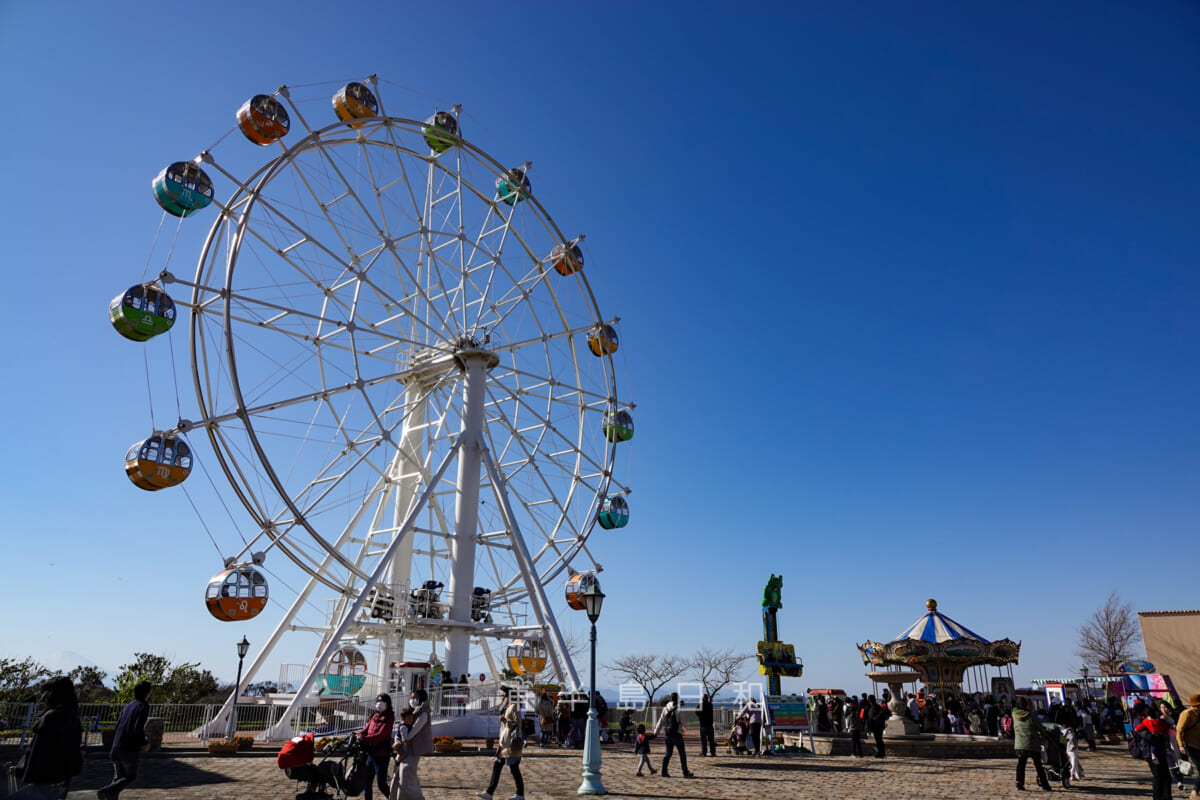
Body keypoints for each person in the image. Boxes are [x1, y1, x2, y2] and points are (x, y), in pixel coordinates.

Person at [12, 676, 82, 799]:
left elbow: (38, 752)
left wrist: (27, 774)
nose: (43, 697)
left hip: (45, 777)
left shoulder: (52, 717)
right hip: (62, 776)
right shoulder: (72, 715)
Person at [97, 680, 152, 799]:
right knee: (130, 776)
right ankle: (106, 790)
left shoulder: (128, 706)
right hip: (129, 749)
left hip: (116, 746)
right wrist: (145, 742)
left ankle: (109, 793)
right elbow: (137, 728)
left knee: (118, 778)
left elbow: (118, 726)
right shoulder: (143, 706)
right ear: (147, 693)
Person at [476, 693, 525, 800]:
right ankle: (489, 792)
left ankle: (520, 794)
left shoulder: (514, 707)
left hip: (511, 745)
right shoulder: (507, 707)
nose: (501, 697)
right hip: (505, 744)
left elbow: (517, 723)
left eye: (503, 695)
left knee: (514, 769)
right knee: (497, 766)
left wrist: (505, 720)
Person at [393, 688, 433, 800]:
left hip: (413, 749)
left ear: (421, 699)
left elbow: (414, 730)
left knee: (407, 775)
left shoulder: (423, 713)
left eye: (415, 698)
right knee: (399, 775)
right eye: (411, 698)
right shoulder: (412, 712)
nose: (413, 700)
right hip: (405, 748)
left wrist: (402, 740)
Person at [358, 693, 395, 800]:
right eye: (378, 701)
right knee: (366, 782)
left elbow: (381, 735)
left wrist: (365, 739)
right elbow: (366, 729)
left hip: (381, 755)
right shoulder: (374, 716)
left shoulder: (389, 717)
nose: (379, 704)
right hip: (370, 753)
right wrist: (357, 734)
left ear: (387, 704)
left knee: (381, 784)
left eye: (382, 701)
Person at [1012, 697, 1052, 791]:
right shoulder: (1031, 716)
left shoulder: (1014, 715)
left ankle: (1019, 782)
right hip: (1032, 743)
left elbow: (1014, 708)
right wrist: (1045, 735)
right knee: (1038, 765)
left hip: (1020, 744)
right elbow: (1040, 728)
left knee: (1021, 764)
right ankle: (1045, 784)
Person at [1135, 705, 1172, 800]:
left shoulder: (1154, 721)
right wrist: (1158, 737)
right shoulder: (1140, 722)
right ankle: (1158, 796)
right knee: (1158, 774)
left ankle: (1166, 796)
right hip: (1151, 753)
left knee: (1166, 775)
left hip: (1160, 751)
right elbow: (1144, 735)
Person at [654, 692, 693, 778]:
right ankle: (685, 771)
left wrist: (656, 732)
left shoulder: (666, 708)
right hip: (677, 733)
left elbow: (661, 720)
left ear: (670, 699)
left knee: (668, 753)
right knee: (682, 753)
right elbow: (683, 722)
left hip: (667, 733)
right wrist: (685, 726)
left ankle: (664, 771)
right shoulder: (679, 709)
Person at [1177, 693, 1200, 800]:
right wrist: (1181, 745)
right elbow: (1179, 730)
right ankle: (1194, 792)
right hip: (1191, 745)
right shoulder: (1187, 713)